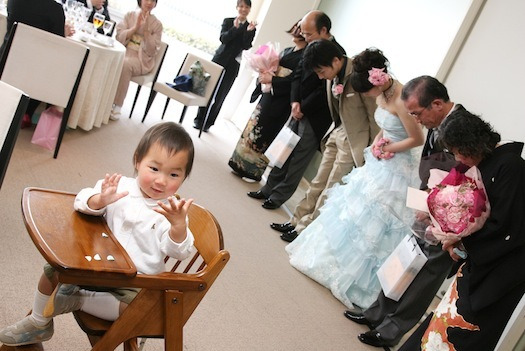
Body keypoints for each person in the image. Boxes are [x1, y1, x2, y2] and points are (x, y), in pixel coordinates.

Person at [0, 122, 195, 346]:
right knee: (52, 272)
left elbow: (179, 252)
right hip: (95, 267)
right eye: (154, 169)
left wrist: (178, 227)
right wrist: (100, 200)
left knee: (138, 311)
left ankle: (77, 300)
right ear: (138, 161)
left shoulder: (172, 211)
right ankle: (38, 322)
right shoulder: (119, 186)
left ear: (183, 177)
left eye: (173, 174)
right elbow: (81, 202)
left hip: (135, 282)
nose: (161, 180)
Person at [285, 48, 424, 310]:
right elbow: (384, 124)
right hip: (381, 158)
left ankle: (360, 284)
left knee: (378, 221)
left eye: (367, 93)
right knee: (351, 210)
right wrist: (378, 143)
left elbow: (417, 139)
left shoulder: (403, 99)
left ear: (377, 80)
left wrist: (389, 148)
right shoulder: (384, 94)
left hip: (398, 170)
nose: (369, 98)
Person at [344, 76, 466, 348]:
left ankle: (392, 330)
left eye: (417, 114)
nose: (416, 120)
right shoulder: (438, 122)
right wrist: (421, 201)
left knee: (425, 276)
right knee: (405, 260)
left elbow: (462, 179)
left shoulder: (462, 127)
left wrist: (433, 207)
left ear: (436, 104)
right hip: (427, 201)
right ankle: (377, 313)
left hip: (448, 215)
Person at [399, 111, 525, 351]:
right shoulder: (485, 163)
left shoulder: (511, 166)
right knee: (444, 320)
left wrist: (463, 242)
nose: (457, 158)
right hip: (478, 261)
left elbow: (508, 228)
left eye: (459, 151)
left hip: (501, 268)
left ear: (474, 145)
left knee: (464, 329)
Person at [271, 39, 378, 242]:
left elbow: (373, 117)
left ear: (336, 61)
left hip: (353, 140)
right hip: (337, 133)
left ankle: (304, 230)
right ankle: (296, 220)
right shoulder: (331, 75)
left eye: (321, 71)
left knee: (330, 188)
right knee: (317, 182)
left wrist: (370, 151)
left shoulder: (359, 75)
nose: (321, 76)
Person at [247, 10, 345, 210]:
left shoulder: (337, 54)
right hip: (297, 107)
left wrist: (303, 107)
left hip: (315, 114)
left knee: (298, 158)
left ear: (323, 30)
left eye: (309, 34)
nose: (305, 38)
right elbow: (297, 76)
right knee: (283, 150)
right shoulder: (310, 46)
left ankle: (278, 197)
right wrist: (294, 102)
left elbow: (323, 89)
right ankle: (268, 189)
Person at [228, 20, 306, 181]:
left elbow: (294, 82)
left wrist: (273, 79)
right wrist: (263, 75)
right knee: (252, 128)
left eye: (300, 29)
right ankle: (238, 163)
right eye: (296, 27)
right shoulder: (287, 51)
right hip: (268, 95)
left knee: (266, 134)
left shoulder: (304, 58)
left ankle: (252, 171)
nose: (296, 31)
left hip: (281, 100)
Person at [1, 0, 74, 128]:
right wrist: (65, 33)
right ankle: (27, 112)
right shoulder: (55, 9)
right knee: (61, 68)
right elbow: (57, 46)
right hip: (35, 72)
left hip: (7, 60)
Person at [193, 0, 256, 132]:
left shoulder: (250, 27)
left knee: (221, 95)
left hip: (233, 65)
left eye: (246, 7)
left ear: (249, 9)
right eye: (241, 6)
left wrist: (249, 32)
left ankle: (208, 123)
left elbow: (246, 45)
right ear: (237, 8)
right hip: (218, 60)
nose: (243, 9)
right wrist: (235, 28)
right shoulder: (228, 21)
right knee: (208, 90)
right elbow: (223, 39)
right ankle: (199, 120)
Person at [110, 0, 162, 121]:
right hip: (123, 50)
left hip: (141, 59)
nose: (149, 2)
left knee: (126, 64)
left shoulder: (157, 24)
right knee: (110, 57)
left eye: (153, 0)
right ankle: (102, 100)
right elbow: (118, 36)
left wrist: (146, 31)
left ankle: (117, 105)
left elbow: (152, 50)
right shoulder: (130, 15)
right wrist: (135, 28)